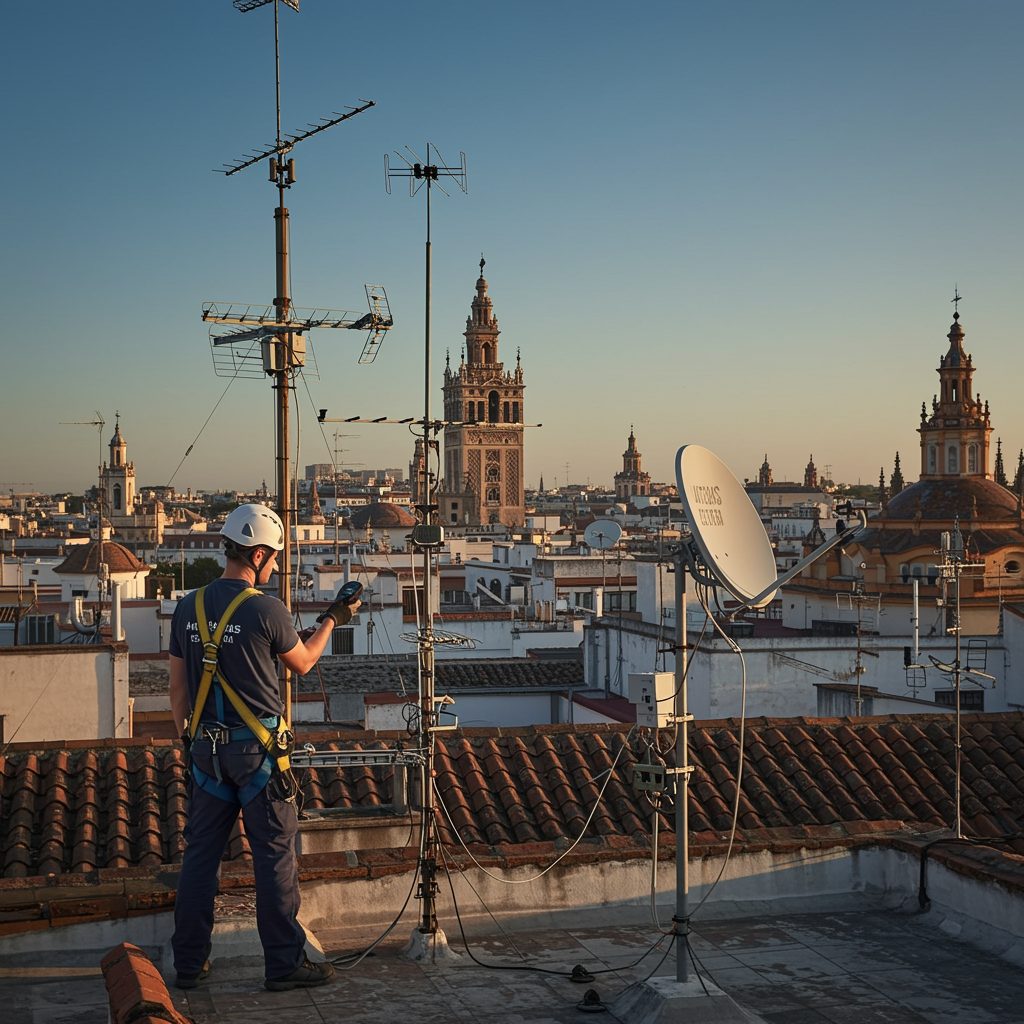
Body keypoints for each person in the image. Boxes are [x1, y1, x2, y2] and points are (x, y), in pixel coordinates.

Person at [168, 504, 360, 992]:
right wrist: (334, 619)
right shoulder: (266, 609)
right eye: (273, 557)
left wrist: (190, 741)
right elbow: (303, 662)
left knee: (200, 860)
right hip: (256, 757)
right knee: (274, 858)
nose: (275, 565)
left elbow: (177, 689)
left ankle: (189, 964)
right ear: (256, 554)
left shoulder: (188, 606)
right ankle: (283, 963)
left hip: (207, 753)